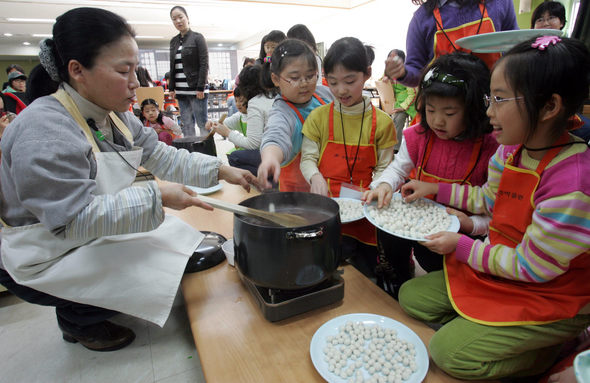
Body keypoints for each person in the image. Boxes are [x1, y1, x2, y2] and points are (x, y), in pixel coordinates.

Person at [0, 7, 258, 353]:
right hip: (40, 251)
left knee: (174, 241)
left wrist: (221, 169)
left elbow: (161, 155)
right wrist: (158, 196)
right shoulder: (44, 129)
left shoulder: (114, 114)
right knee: (151, 260)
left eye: (135, 69)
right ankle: (77, 319)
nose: (137, 83)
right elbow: (70, 220)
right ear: (77, 70)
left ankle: (82, 308)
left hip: (75, 235)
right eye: (124, 71)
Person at [397, 36, 590, 380]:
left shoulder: (572, 184)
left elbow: (532, 267)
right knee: (411, 297)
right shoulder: (511, 150)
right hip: (504, 269)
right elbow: (487, 200)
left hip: (548, 292)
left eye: (499, 100)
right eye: (491, 99)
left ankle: (547, 350)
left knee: (447, 353)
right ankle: (489, 330)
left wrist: (462, 246)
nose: (488, 112)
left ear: (549, 107)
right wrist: (434, 189)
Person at [363, 52, 499, 298]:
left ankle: (449, 288)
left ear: (475, 110)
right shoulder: (418, 136)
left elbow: (493, 211)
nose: (437, 121)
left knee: (444, 278)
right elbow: (398, 167)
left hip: (460, 236)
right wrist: (383, 184)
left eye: (449, 113)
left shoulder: (492, 148)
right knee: (384, 213)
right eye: (431, 110)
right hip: (417, 225)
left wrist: (471, 226)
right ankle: (397, 274)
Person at [301, 37, 396, 278]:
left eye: (350, 81)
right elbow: (308, 158)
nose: (341, 90)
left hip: (366, 211)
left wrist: (376, 188)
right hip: (327, 210)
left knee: (363, 275)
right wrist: (315, 178)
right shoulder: (319, 118)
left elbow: (386, 168)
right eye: (333, 82)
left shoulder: (382, 123)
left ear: (367, 74)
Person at [384, 0, 519, 87]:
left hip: (492, 106)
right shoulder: (422, 18)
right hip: (443, 112)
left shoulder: (499, 3)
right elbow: (416, 70)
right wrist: (402, 73)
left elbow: (515, 48)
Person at [257, 38, 332, 192]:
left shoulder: (325, 95)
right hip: (298, 195)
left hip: (333, 183)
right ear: (276, 79)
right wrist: (270, 158)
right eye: (295, 78)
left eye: (310, 76)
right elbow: (275, 135)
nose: (304, 83)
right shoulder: (282, 112)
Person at [209, 65, 276, 175]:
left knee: (234, 157)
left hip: (273, 154)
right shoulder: (272, 95)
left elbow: (253, 144)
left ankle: (267, 178)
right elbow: (229, 122)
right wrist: (213, 124)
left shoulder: (255, 103)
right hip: (285, 152)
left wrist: (227, 133)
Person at [169, 5, 209, 137]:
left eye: (180, 17)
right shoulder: (173, 41)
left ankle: (208, 155)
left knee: (202, 123)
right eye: (174, 19)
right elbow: (173, 66)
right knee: (187, 124)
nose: (178, 21)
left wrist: (200, 87)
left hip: (196, 89)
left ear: (187, 18)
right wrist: (171, 88)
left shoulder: (198, 37)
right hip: (180, 91)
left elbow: (204, 63)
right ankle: (191, 154)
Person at [384, 49, 418, 151]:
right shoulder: (388, 72)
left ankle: (415, 147)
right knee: (396, 119)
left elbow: (412, 93)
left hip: (411, 103)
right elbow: (383, 83)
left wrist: (403, 107)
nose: (391, 60)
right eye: (390, 57)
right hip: (398, 102)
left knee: (417, 123)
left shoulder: (406, 72)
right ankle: (395, 148)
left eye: (395, 57)